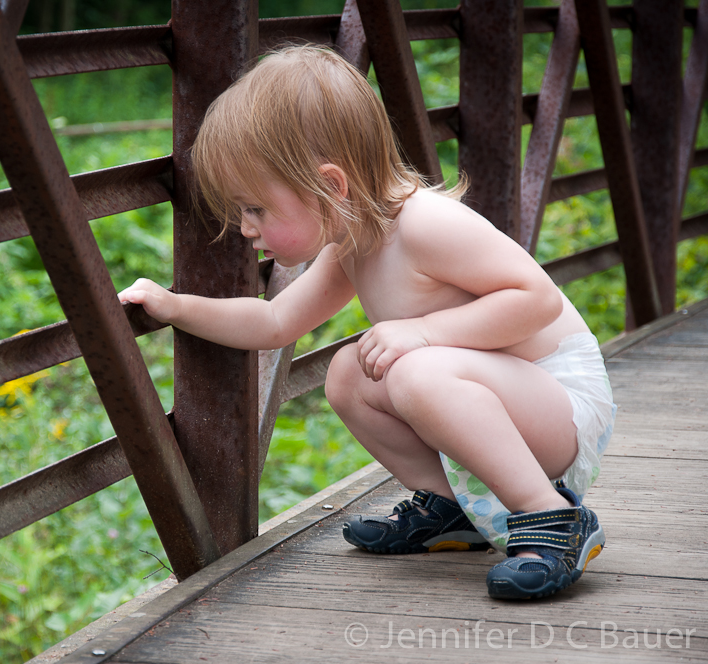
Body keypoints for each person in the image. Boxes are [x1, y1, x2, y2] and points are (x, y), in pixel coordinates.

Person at [118, 45, 615, 600]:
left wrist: (424, 333)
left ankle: (553, 518)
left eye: (255, 208)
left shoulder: (426, 224)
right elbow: (274, 321)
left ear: (331, 186)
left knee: (412, 371)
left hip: (561, 404)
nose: (243, 227)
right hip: (500, 405)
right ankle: (453, 512)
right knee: (348, 373)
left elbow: (537, 300)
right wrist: (176, 306)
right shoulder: (353, 240)